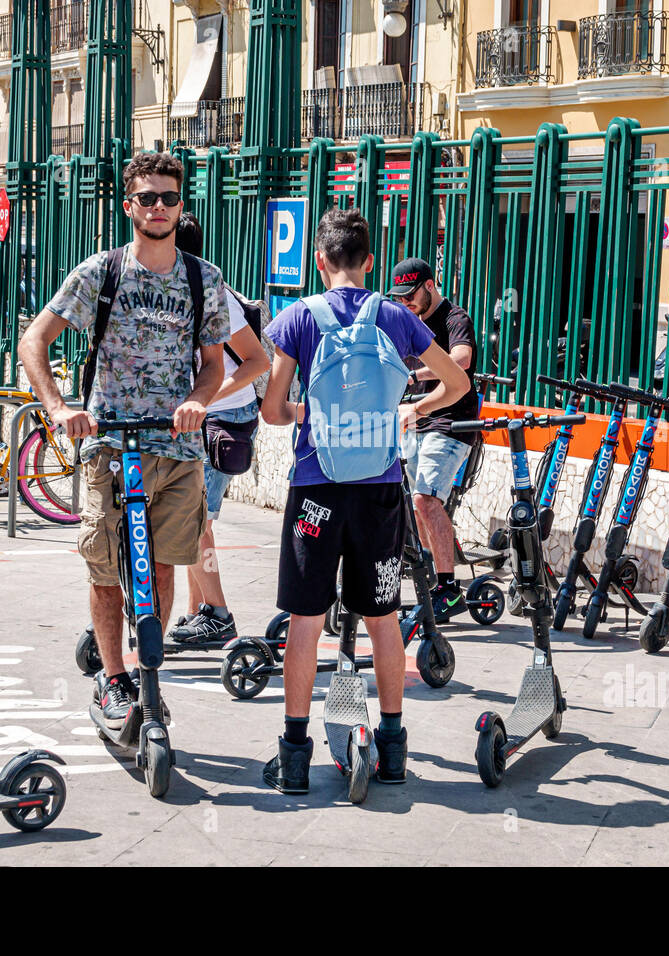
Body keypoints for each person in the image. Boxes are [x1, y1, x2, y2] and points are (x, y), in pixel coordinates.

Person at [260, 208, 469, 793]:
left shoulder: (299, 317)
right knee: (382, 618)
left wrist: (307, 412)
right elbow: (457, 384)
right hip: (379, 488)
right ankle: (395, 750)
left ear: (321, 261)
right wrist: (412, 410)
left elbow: (273, 412)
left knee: (305, 618)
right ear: (371, 261)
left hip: (316, 490)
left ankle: (295, 756)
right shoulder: (397, 317)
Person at [17, 151, 228, 731]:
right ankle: (113, 681)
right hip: (109, 448)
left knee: (163, 570)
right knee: (106, 571)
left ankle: (147, 674)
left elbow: (214, 365)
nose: (159, 207)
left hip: (176, 449)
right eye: (148, 198)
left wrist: (198, 401)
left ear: (180, 205)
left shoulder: (201, 278)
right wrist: (59, 407)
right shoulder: (100, 273)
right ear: (129, 205)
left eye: (169, 198)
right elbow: (34, 339)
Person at [167, 212, 271, 643]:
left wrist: (203, 398)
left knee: (195, 521)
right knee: (197, 520)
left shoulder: (214, 296)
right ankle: (198, 611)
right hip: (206, 418)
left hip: (223, 420)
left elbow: (258, 361)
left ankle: (219, 614)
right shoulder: (178, 290)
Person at [387, 257, 477, 620]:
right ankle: (432, 580)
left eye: (411, 295)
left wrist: (414, 374)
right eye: (400, 297)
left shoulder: (455, 318)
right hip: (415, 418)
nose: (405, 303)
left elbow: (462, 360)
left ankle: (449, 589)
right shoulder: (407, 322)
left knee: (425, 499)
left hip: (451, 421)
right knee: (415, 507)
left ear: (430, 285)